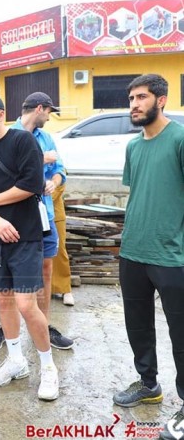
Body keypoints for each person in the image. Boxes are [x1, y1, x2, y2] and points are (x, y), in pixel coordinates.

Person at [0, 94, 59, 401]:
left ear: (1, 114)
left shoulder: (22, 142)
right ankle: (16, 360)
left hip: (26, 234)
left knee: (25, 304)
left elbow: (31, 184)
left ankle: (48, 367)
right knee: (3, 301)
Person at [111, 74, 184, 440]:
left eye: (142, 97)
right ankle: (148, 384)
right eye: (131, 99)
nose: (134, 104)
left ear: (162, 100)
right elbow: (139, 194)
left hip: (174, 256)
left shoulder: (181, 139)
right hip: (134, 252)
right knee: (138, 325)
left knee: (182, 333)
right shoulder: (134, 147)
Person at [9, 92, 73, 350]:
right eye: (49, 112)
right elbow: (6, 171)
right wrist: (40, 159)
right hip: (14, 216)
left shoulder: (46, 138)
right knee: (10, 274)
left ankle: (43, 327)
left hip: (43, 214)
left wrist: (53, 181)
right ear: (39, 109)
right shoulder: (7, 135)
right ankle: (8, 329)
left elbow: (60, 170)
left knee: (46, 269)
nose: (49, 117)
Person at [51, 183, 75, 306]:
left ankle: (65, 289)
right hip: (31, 213)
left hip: (54, 213)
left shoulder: (56, 163)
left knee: (59, 250)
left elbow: (59, 185)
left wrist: (42, 199)